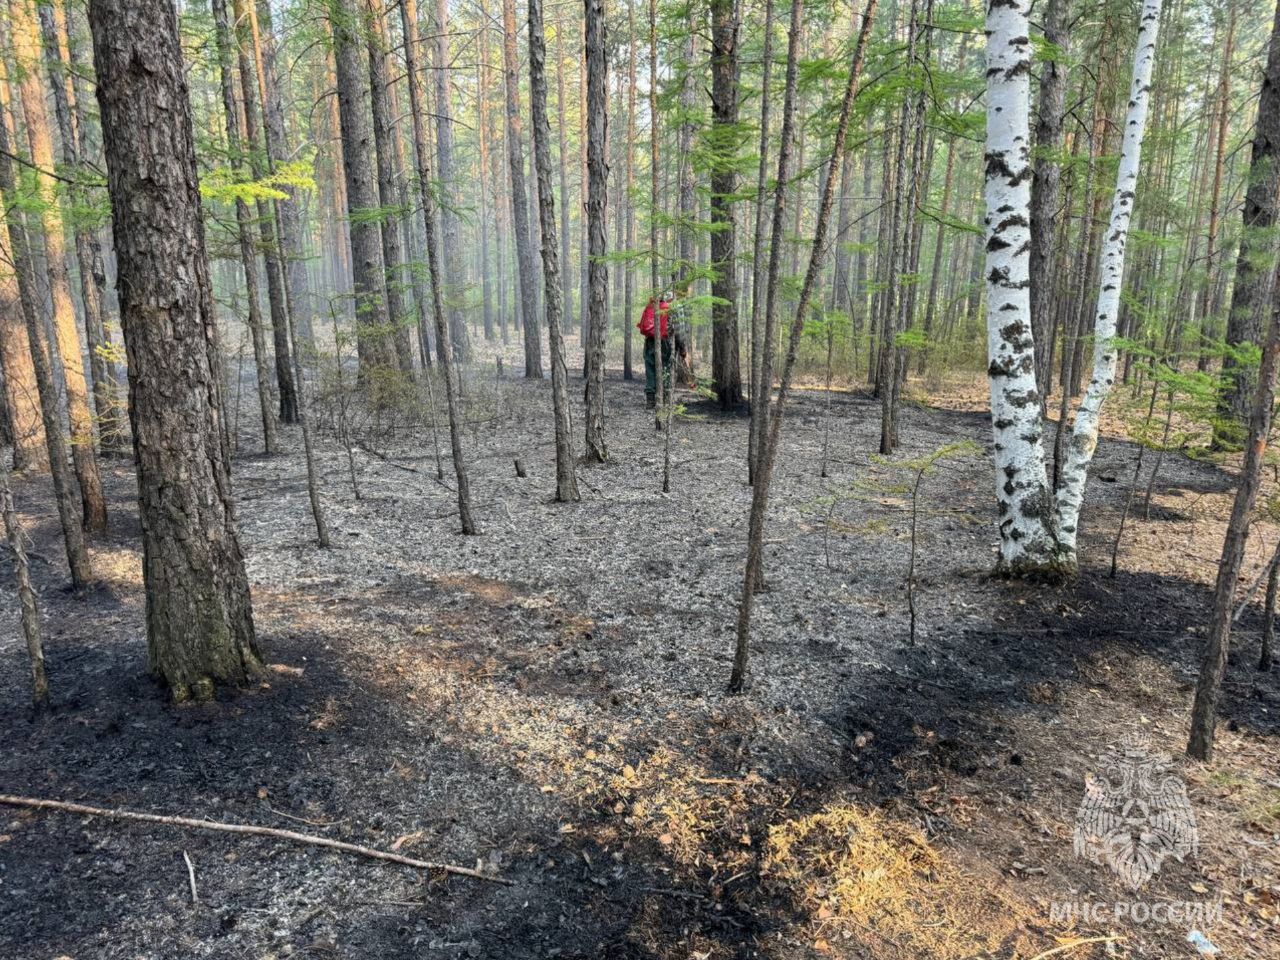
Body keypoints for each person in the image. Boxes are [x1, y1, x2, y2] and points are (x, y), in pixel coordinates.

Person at [638, 292, 672, 408]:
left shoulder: (649, 307)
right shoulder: (668, 309)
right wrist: (682, 349)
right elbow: (675, 329)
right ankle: (664, 399)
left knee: (650, 370)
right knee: (665, 369)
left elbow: (643, 326)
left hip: (649, 342)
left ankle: (650, 401)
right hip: (664, 343)